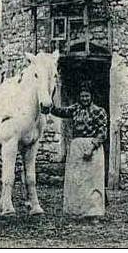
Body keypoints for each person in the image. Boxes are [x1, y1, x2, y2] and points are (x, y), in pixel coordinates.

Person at [50, 85, 108, 219]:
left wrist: (92, 148)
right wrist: (50, 101)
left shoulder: (99, 111)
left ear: (91, 97)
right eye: (82, 96)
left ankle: (94, 212)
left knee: (92, 181)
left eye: (87, 96)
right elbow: (59, 112)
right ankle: (76, 211)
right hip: (77, 147)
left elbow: (102, 133)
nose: (85, 99)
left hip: (93, 147)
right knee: (77, 180)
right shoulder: (75, 108)